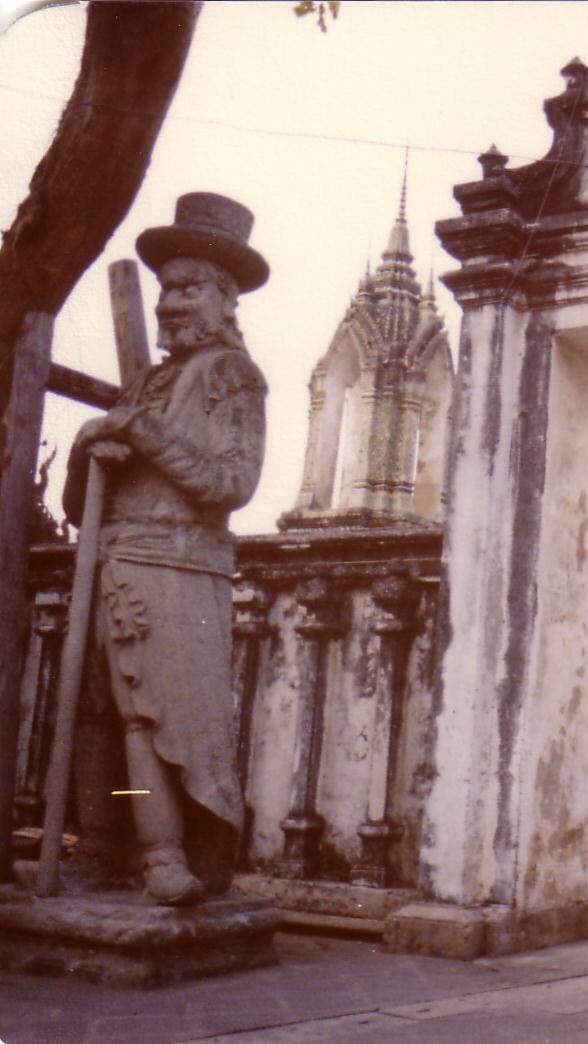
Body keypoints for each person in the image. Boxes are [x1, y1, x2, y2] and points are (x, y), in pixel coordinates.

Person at [62, 192, 268, 905]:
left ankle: (164, 853)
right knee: (101, 717)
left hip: (179, 570)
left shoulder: (234, 377)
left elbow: (231, 483)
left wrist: (147, 436)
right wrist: (90, 448)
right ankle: (98, 845)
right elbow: (78, 507)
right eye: (165, 289)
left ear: (223, 298)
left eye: (187, 289)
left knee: (157, 720)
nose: (170, 304)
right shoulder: (145, 382)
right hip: (111, 562)